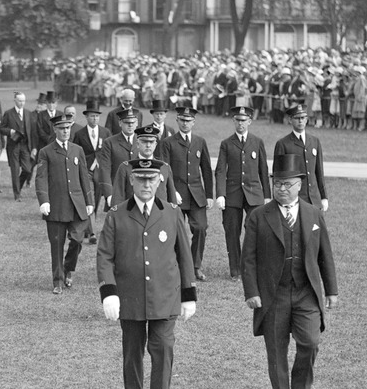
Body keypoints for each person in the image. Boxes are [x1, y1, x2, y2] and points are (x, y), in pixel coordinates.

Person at [97, 158, 196, 389]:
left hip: (165, 298)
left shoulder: (172, 212)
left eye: (151, 179)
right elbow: (104, 255)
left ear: (160, 181)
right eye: (140, 179)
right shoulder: (116, 214)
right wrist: (109, 293)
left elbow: (184, 255)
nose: (146, 184)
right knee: (132, 353)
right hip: (129, 298)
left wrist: (189, 295)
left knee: (163, 351)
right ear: (131, 180)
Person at [241, 153, 337, 389]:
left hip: (306, 292)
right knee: (276, 347)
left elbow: (324, 255)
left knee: (310, 341)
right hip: (275, 294)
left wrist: (331, 290)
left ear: (299, 185)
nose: (281, 189)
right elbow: (247, 258)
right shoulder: (259, 217)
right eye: (277, 184)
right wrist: (252, 292)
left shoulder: (313, 214)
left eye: (287, 184)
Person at [35, 113, 94, 294]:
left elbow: (84, 176)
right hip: (56, 206)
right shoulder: (46, 152)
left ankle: (69, 268)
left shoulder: (77, 150)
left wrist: (89, 201)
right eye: (61, 128)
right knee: (57, 245)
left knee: (77, 240)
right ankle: (58, 281)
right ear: (55, 130)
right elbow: (41, 179)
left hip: (77, 206)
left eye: (68, 128)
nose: (65, 131)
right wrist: (44, 201)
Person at [156, 105, 214, 281]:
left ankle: (195, 266)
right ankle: (176, 265)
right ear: (177, 121)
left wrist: (210, 195)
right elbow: (164, 170)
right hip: (177, 195)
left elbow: (206, 169)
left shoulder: (199, 142)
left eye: (188, 121)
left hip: (197, 195)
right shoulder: (167, 143)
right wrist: (171, 191)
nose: (185, 123)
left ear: (193, 122)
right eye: (182, 120)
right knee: (174, 232)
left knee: (201, 228)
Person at [214, 104, 271, 280]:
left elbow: (263, 169)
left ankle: (250, 266)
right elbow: (221, 170)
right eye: (238, 120)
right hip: (232, 194)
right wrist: (221, 194)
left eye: (244, 120)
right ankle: (235, 270)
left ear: (250, 121)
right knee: (232, 231)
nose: (240, 124)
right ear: (233, 121)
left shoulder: (257, 142)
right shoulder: (226, 144)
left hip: (254, 194)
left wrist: (267, 196)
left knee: (254, 229)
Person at [273, 103, 329, 212]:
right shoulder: (283, 144)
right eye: (297, 118)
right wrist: (278, 198)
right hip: (294, 198)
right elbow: (277, 175)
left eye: (303, 118)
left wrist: (323, 196)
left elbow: (319, 172)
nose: (300, 121)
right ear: (290, 120)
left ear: (307, 119)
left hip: (314, 199)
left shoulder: (314, 141)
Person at [71, 98, 111, 243]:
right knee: (90, 200)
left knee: (97, 200)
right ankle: (92, 233)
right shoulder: (80, 134)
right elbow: (75, 153)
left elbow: (108, 153)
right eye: (92, 116)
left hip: (101, 171)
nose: (94, 118)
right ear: (86, 117)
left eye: (97, 116)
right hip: (86, 170)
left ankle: (88, 227)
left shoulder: (105, 132)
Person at [110, 123, 177, 206]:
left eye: (151, 142)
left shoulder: (164, 168)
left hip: (159, 216)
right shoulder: (126, 168)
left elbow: (172, 200)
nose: (148, 145)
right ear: (137, 144)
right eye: (144, 142)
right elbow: (117, 198)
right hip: (132, 215)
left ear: (155, 145)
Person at [97, 107, 141, 207]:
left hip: (139, 193)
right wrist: (109, 194)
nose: (130, 125)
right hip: (118, 193)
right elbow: (105, 169)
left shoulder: (142, 141)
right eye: (126, 122)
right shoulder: (110, 142)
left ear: (137, 123)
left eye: (133, 122)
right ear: (120, 123)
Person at [0, 91, 39, 201]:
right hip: (13, 146)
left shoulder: (28, 114)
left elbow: (33, 132)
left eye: (23, 101)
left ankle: (19, 186)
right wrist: (10, 131)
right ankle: (16, 195)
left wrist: (34, 147)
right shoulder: (8, 113)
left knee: (27, 169)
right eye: (20, 101)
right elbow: (1, 129)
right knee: (15, 170)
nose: (22, 103)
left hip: (25, 146)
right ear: (15, 101)